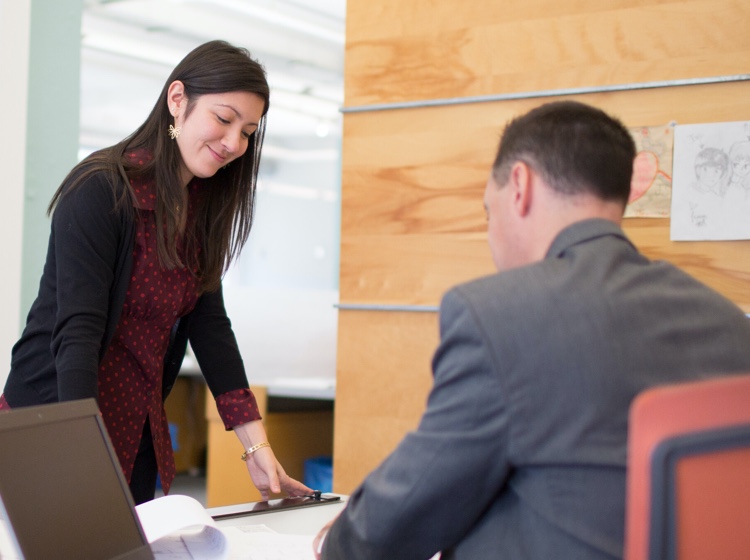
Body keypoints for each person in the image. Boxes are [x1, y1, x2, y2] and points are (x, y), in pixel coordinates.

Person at [313, 101, 750, 559]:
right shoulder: (721, 318)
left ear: (519, 186)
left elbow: (410, 506)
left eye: (488, 212)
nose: (491, 235)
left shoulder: (501, 314)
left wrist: (335, 542)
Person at [1, 40, 311, 504]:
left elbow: (210, 327)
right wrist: (81, 449)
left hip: (137, 426)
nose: (234, 143)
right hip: (57, 419)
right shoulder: (101, 189)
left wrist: (257, 447)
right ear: (177, 100)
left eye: (248, 131)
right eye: (224, 120)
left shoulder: (202, 207)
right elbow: (77, 334)